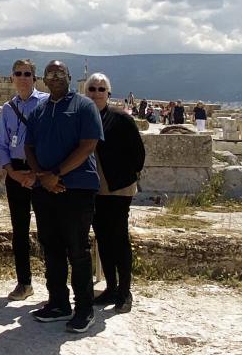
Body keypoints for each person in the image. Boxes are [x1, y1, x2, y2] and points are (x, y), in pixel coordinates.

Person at [25, 60, 103, 333]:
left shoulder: (84, 106)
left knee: (77, 249)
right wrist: (42, 177)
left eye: (60, 73)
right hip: (45, 189)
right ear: (43, 79)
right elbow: (29, 146)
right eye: (50, 74)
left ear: (69, 77)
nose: (55, 77)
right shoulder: (39, 110)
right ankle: (58, 302)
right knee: (51, 247)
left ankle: (85, 308)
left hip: (77, 188)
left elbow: (88, 145)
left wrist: (56, 174)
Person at [85, 73, 144, 314]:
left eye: (101, 89)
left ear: (108, 93)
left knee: (119, 239)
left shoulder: (121, 119)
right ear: (86, 91)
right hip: (93, 188)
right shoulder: (83, 118)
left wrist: (127, 177)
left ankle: (125, 291)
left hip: (118, 188)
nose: (96, 93)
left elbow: (138, 154)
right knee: (102, 238)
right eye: (92, 88)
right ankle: (111, 287)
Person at [0, 60, 48, 301]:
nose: (23, 77)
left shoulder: (47, 103)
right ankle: (24, 283)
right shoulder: (7, 109)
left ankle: (54, 284)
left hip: (41, 170)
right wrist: (14, 174)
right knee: (19, 231)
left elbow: (51, 140)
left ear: (34, 78)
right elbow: (2, 145)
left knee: (49, 229)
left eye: (28, 74)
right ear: (12, 77)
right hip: (16, 171)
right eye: (19, 73)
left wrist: (36, 174)